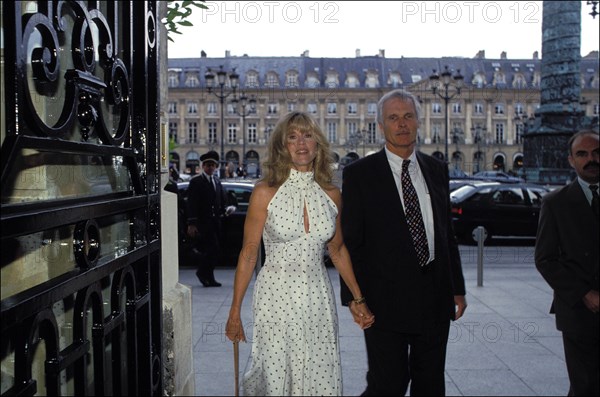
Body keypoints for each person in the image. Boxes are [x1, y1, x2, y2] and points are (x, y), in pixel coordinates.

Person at [225, 111, 375, 396]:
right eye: (292, 137)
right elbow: (248, 254)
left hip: (317, 294)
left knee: (318, 370)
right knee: (276, 372)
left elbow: (338, 249)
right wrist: (235, 311)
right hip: (275, 295)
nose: (301, 143)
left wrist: (359, 298)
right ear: (282, 146)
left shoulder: (332, 194)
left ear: (318, 144)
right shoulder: (264, 192)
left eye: (308, 135)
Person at [340, 88, 467, 395]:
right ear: (381, 126)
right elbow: (351, 242)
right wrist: (354, 298)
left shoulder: (437, 170)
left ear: (418, 122)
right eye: (393, 118)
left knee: (431, 383)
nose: (402, 124)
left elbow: (446, 234)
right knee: (388, 384)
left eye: (408, 116)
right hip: (384, 302)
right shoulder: (359, 175)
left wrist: (457, 288)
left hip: (435, 299)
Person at [535, 130, 599, 396]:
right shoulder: (556, 203)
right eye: (582, 154)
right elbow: (545, 259)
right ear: (571, 161)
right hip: (579, 309)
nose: (591, 159)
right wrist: (584, 293)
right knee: (585, 385)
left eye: (596, 153)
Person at [187, 150, 233, 287]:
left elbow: (221, 200)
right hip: (203, 223)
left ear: (216, 167)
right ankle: (202, 273)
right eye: (208, 165)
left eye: (213, 165)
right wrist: (192, 223)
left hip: (215, 222)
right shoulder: (196, 182)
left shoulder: (216, 181)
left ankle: (209, 276)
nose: (210, 167)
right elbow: (191, 203)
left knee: (215, 251)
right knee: (211, 249)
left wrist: (227, 209)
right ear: (203, 166)